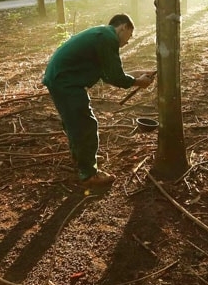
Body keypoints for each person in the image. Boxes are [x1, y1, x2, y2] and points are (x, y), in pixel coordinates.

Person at [43, 14, 155, 188]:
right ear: (123, 27)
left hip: (60, 79)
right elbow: (115, 77)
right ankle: (89, 174)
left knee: (74, 122)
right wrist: (138, 82)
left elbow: (108, 74)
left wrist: (138, 74)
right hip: (66, 82)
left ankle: (83, 159)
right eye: (130, 35)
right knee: (85, 124)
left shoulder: (101, 35)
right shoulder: (108, 38)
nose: (128, 42)